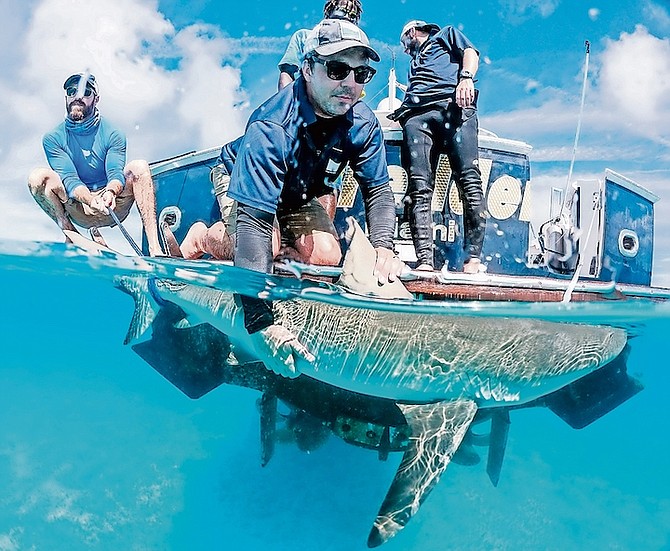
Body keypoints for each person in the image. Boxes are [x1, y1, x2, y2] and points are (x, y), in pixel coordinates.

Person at [227, 19, 405, 372]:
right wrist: (260, 322)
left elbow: (378, 188)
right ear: (307, 68)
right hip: (241, 182)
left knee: (325, 255)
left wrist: (384, 246)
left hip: (296, 191)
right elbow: (254, 224)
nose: (350, 84)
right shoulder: (270, 125)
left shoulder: (364, 123)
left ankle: (280, 267)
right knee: (267, 245)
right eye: (338, 69)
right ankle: (207, 236)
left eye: (361, 74)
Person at [28, 72, 163, 256]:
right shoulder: (52, 138)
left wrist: (110, 192)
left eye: (85, 92)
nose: (77, 96)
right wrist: (91, 200)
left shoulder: (114, 133)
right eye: (72, 91)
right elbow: (70, 180)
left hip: (114, 205)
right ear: (66, 97)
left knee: (139, 166)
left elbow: (115, 172)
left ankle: (155, 249)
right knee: (37, 178)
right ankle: (71, 235)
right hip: (79, 205)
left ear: (96, 98)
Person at [390, 20, 486, 274]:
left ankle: (473, 259)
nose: (404, 50)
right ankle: (424, 260)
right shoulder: (415, 62)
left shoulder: (446, 34)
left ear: (411, 32)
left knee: (469, 180)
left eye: (404, 43)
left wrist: (466, 78)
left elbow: (471, 52)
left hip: (452, 107)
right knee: (419, 187)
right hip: (416, 116)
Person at [277, 0, 363, 91]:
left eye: (352, 15)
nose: (347, 16)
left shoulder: (357, 48)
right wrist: (286, 102)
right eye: (342, 10)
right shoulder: (304, 36)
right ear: (329, 12)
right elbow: (287, 73)